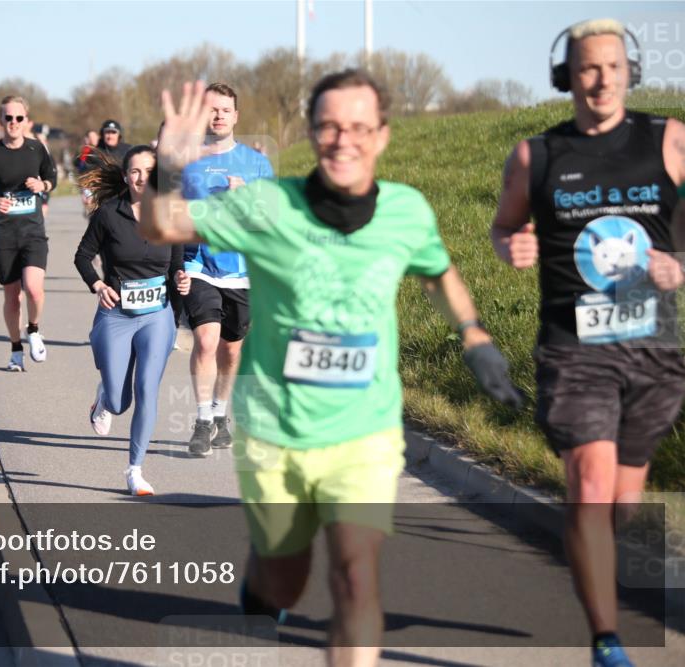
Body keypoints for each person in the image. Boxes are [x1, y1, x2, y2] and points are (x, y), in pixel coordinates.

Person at [141, 74, 522, 667]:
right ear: (314, 134)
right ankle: (262, 605)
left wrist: (475, 336)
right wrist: (167, 165)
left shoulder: (405, 210)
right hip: (276, 433)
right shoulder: (267, 205)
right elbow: (161, 226)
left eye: (359, 128)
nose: (343, 140)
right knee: (283, 577)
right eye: (329, 127)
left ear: (382, 135)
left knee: (354, 577)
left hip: (364, 432)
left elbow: (436, 270)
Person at [490, 19, 685, 667]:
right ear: (565, 78)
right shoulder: (535, 155)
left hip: (654, 348)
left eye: (611, 67)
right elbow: (503, 226)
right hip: (574, 351)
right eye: (586, 69)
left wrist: (677, 265)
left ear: (630, 71)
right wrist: (509, 244)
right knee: (592, 486)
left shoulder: (669, 140)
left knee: (623, 503)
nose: (600, 80)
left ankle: (597, 567)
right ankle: (606, 639)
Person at [74, 146, 190, 495]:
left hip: (157, 315)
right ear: (126, 176)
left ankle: (135, 470)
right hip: (118, 313)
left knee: (147, 390)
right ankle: (105, 396)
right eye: (135, 171)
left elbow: (176, 269)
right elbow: (82, 256)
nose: (141, 177)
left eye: (148, 171)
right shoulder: (109, 214)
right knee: (120, 401)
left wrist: (182, 283)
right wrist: (96, 283)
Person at [179, 82, 275, 457]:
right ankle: (202, 421)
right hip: (199, 264)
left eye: (224, 109)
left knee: (231, 353)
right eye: (211, 109)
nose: (217, 115)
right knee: (205, 341)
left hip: (242, 272)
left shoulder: (257, 165)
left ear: (235, 116)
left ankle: (221, 415)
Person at [0, 95, 57, 372]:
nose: (13, 123)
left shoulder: (37, 149)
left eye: (18, 118)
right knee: (12, 297)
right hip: (4, 235)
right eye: (8, 118)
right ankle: (16, 349)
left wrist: (43, 185)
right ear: (0, 120)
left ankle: (34, 329)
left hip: (33, 232)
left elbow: (53, 178)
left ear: (26, 121)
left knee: (34, 290)